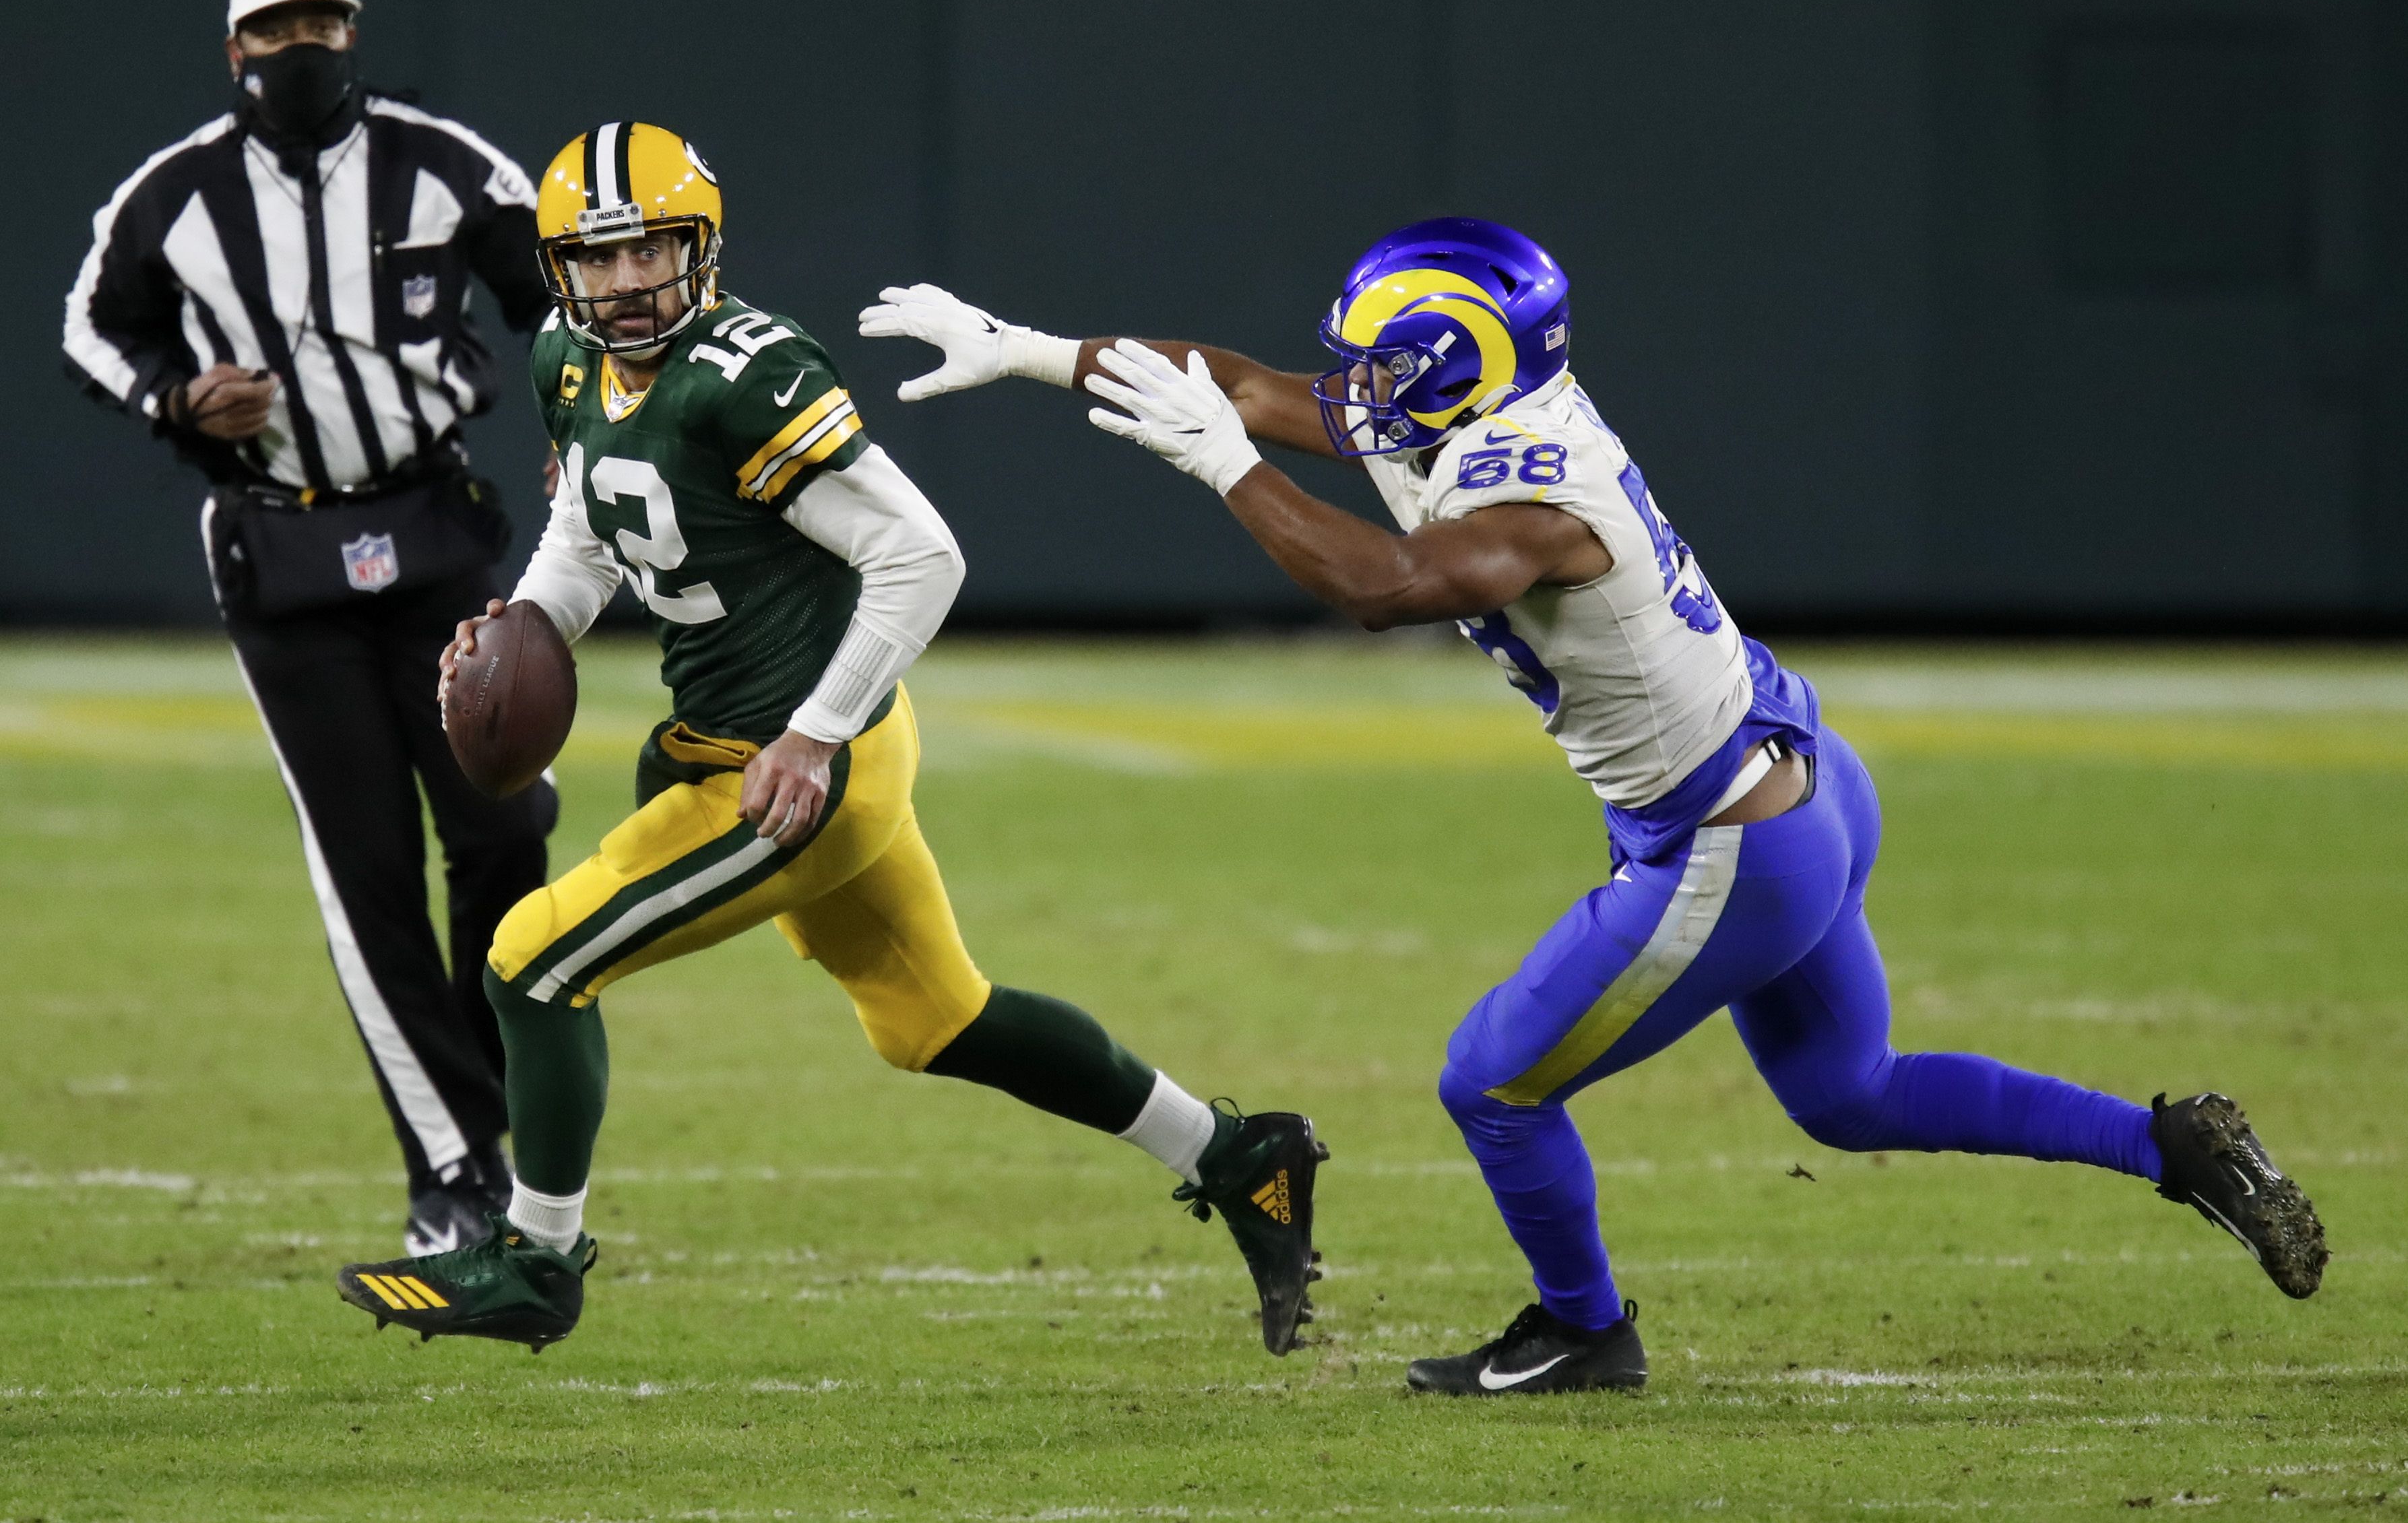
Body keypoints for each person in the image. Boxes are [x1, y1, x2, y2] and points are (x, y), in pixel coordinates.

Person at [856, 217, 2329, 1395]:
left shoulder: (1537, 485)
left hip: (1723, 841)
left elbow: (1392, 586)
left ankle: (1582, 1329)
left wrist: (1232, 476)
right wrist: (1033, 351)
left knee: (1489, 1081)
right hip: (1789, 768)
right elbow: (1232, 381)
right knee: (1844, 1092)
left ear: (1461, 363)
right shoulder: (1468, 398)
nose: (1356, 391)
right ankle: (2171, 1145)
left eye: (1385, 364)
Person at [331, 123, 1327, 1356]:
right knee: (935, 1021)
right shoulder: (567, 360)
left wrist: (809, 737)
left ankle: (537, 1257)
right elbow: (591, 531)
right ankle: (1240, 1157)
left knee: (532, 962)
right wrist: (531, 622)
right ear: (558, 270)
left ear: (700, 249)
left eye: (652, 249)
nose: (628, 280)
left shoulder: (744, 376)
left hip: (796, 769)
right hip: (743, 741)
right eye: (599, 258)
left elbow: (920, 555)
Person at [62, 0, 557, 1255]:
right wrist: (174, 400)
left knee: (505, 827)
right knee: (367, 870)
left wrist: (582, 423)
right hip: (283, 557)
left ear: (354, 27)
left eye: (319, 21)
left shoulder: (446, 165)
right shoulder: (175, 194)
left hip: (433, 531)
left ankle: (493, 1094)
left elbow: (553, 303)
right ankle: (453, 1171)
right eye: (274, 30)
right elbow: (89, 326)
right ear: (236, 51)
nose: (300, 48)